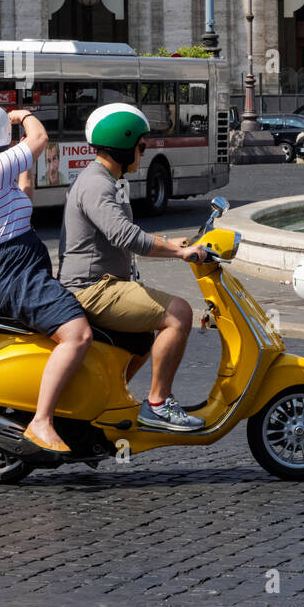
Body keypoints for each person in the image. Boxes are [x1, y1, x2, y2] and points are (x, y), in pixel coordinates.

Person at [0, 102, 93, 455]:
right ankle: (41, 422)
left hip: (17, 267)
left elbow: (23, 195)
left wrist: (15, 142)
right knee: (78, 334)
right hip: (17, 271)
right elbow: (40, 138)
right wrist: (23, 116)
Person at [58, 103, 208, 433]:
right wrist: (179, 254)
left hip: (100, 283)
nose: (143, 153)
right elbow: (125, 235)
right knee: (180, 313)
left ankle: (105, 401)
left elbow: (121, 233)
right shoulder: (97, 184)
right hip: (93, 288)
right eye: (141, 146)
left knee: (140, 341)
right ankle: (158, 405)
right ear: (124, 145)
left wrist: (172, 242)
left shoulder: (100, 178)